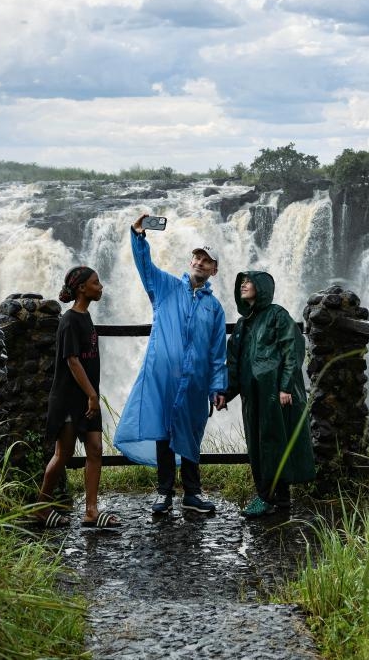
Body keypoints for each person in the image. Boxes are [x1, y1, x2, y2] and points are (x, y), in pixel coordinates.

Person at [113, 214, 228, 515]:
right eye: (197, 257)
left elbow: (218, 352)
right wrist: (139, 237)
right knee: (164, 434)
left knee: (191, 432)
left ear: (214, 269)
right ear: (191, 261)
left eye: (207, 260)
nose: (200, 262)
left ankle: (192, 493)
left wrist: (218, 386)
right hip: (163, 377)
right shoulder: (165, 288)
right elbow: (146, 269)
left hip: (196, 381)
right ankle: (164, 492)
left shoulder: (214, 308)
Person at [36, 266, 121, 529]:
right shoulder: (70, 320)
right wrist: (92, 394)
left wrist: (92, 396)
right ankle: (41, 506)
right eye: (96, 282)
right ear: (82, 288)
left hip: (87, 398)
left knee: (95, 449)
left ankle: (91, 511)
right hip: (71, 398)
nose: (101, 286)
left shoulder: (85, 317)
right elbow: (72, 361)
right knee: (63, 453)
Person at [225, 271, 315, 518]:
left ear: (262, 287)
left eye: (249, 281)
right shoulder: (243, 324)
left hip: (274, 393)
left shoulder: (277, 315)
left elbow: (292, 348)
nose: (243, 284)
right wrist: (226, 392)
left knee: (275, 442)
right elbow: (234, 362)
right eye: (241, 281)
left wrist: (285, 386)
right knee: (257, 444)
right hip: (251, 395)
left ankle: (274, 499)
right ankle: (269, 497)